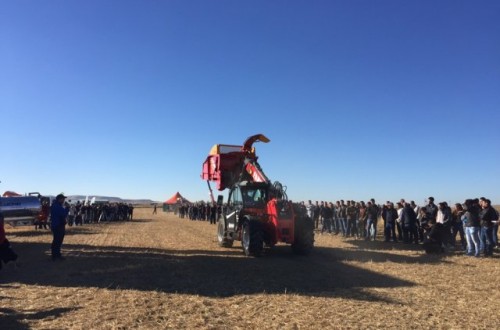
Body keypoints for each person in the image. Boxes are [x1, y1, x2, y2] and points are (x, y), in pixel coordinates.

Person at [50, 193, 69, 261]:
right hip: (58, 226)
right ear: (59, 199)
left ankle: (55, 255)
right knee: (57, 241)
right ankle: (55, 255)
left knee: (56, 241)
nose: (64, 200)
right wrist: (67, 208)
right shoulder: (57, 206)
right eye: (63, 199)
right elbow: (63, 214)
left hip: (57, 225)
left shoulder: (55, 205)